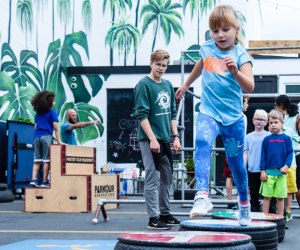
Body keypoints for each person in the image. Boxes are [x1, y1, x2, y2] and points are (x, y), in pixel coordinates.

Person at [176, 4, 254, 226]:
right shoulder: (208, 48)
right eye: (215, 30)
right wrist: (186, 84)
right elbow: (200, 66)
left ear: (236, 29)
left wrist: (235, 72)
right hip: (209, 112)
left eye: (225, 30)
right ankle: (202, 196)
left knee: (236, 164)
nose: (220, 35)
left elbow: (250, 87)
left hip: (232, 120)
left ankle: (244, 204)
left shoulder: (241, 56)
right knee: (201, 142)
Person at [134, 49, 181, 230]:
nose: (161, 68)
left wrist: (175, 136)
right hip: (150, 139)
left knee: (168, 177)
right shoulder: (143, 84)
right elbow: (141, 114)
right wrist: (152, 139)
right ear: (151, 63)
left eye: (164, 65)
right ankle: (153, 218)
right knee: (152, 178)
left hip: (165, 138)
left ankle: (165, 213)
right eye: (158, 64)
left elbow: (172, 113)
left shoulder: (167, 85)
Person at [260, 109, 293, 217]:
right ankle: (264, 218)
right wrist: (263, 171)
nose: (273, 125)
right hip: (268, 173)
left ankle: (280, 218)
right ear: (268, 125)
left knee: (280, 197)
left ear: (282, 123)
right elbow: (263, 156)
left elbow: (290, 154)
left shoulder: (287, 139)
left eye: (276, 122)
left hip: (281, 173)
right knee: (267, 197)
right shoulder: (266, 140)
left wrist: (286, 166)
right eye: (271, 123)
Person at [29, 91, 62, 188]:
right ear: (49, 103)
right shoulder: (52, 112)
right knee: (46, 161)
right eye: (53, 101)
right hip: (46, 137)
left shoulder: (38, 114)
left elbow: (35, 127)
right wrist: (59, 141)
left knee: (37, 160)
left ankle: (34, 180)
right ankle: (44, 182)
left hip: (36, 137)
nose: (54, 103)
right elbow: (56, 127)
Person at [275, 94, 300, 214]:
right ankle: (283, 210)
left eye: (276, 105)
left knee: (294, 185)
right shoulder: (278, 118)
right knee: (282, 183)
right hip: (282, 153)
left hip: (295, 153)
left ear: (281, 105)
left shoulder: (296, 117)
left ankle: (289, 210)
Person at [224, 95, 249, 210]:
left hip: (232, 144)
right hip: (238, 145)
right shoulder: (240, 116)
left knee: (232, 174)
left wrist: (246, 100)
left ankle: (231, 201)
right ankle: (238, 200)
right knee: (237, 172)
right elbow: (244, 108)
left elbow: (244, 107)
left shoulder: (230, 115)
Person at [244, 109, 270, 212]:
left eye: (262, 119)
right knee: (253, 197)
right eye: (257, 119)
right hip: (252, 170)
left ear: (266, 122)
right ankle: (254, 218)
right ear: (253, 120)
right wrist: (243, 166)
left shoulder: (269, 136)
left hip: (267, 171)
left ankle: (270, 218)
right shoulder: (248, 137)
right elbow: (245, 153)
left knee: (268, 197)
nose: (259, 121)